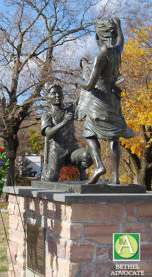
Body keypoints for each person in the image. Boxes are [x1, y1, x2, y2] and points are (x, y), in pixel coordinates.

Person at [76, 18, 134, 184]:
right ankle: (115, 177)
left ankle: (99, 165)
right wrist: (119, 26)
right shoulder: (117, 51)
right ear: (114, 35)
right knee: (114, 137)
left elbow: (88, 85)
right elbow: (122, 40)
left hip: (99, 101)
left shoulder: (100, 58)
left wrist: (79, 79)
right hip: (113, 100)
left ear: (97, 36)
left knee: (89, 133)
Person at [41, 84, 92, 181]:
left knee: (89, 155)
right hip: (57, 149)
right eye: (54, 94)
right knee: (51, 178)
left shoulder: (69, 110)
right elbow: (48, 133)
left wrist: (87, 84)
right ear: (48, 98)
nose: (57, 96)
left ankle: (81, 171)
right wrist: (64, 122)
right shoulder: (46, 116)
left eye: (60, 94)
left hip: (73, 149)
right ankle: (46, 174)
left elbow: (81, 99)